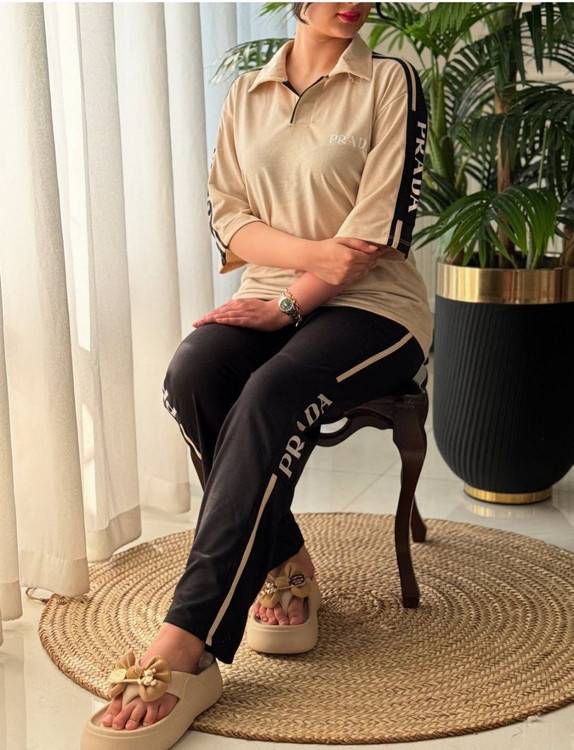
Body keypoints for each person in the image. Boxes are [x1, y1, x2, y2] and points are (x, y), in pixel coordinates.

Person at [82, 2, 432, 746]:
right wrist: (298, 273)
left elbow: (374, 233)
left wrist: (291, 301)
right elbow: (229, 216)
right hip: (269, 293)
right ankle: (282, 553)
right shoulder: (248, 92)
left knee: (275, 389)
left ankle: (188, 638)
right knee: (193, 373)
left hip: (376, 309)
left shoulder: (390, 81)